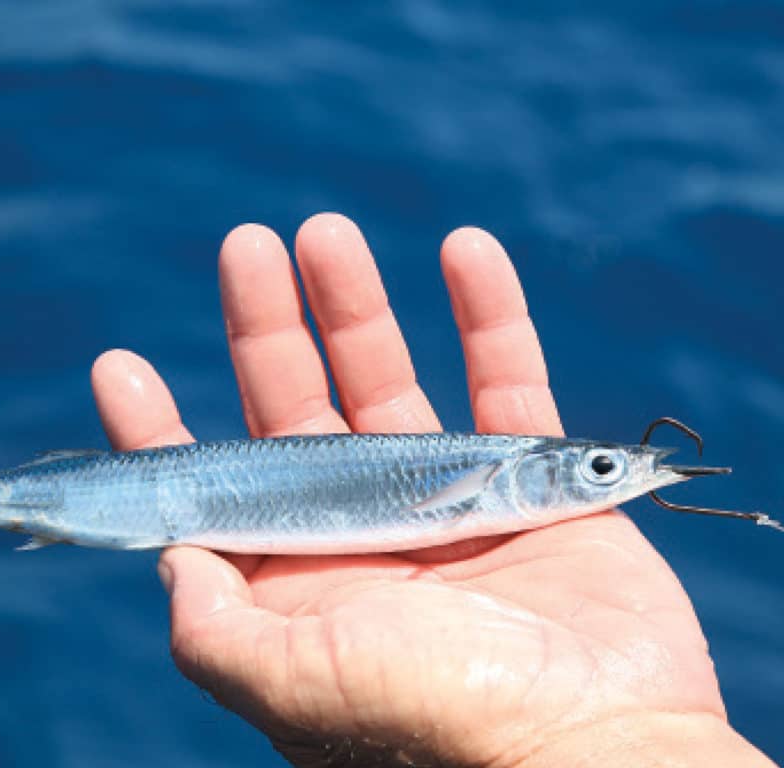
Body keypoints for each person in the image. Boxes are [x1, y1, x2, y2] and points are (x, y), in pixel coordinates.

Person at [90, 214, 776, 767]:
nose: (614, 481)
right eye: (601, 469)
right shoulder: (484, 477)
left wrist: (598, 735)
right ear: (522, 473)